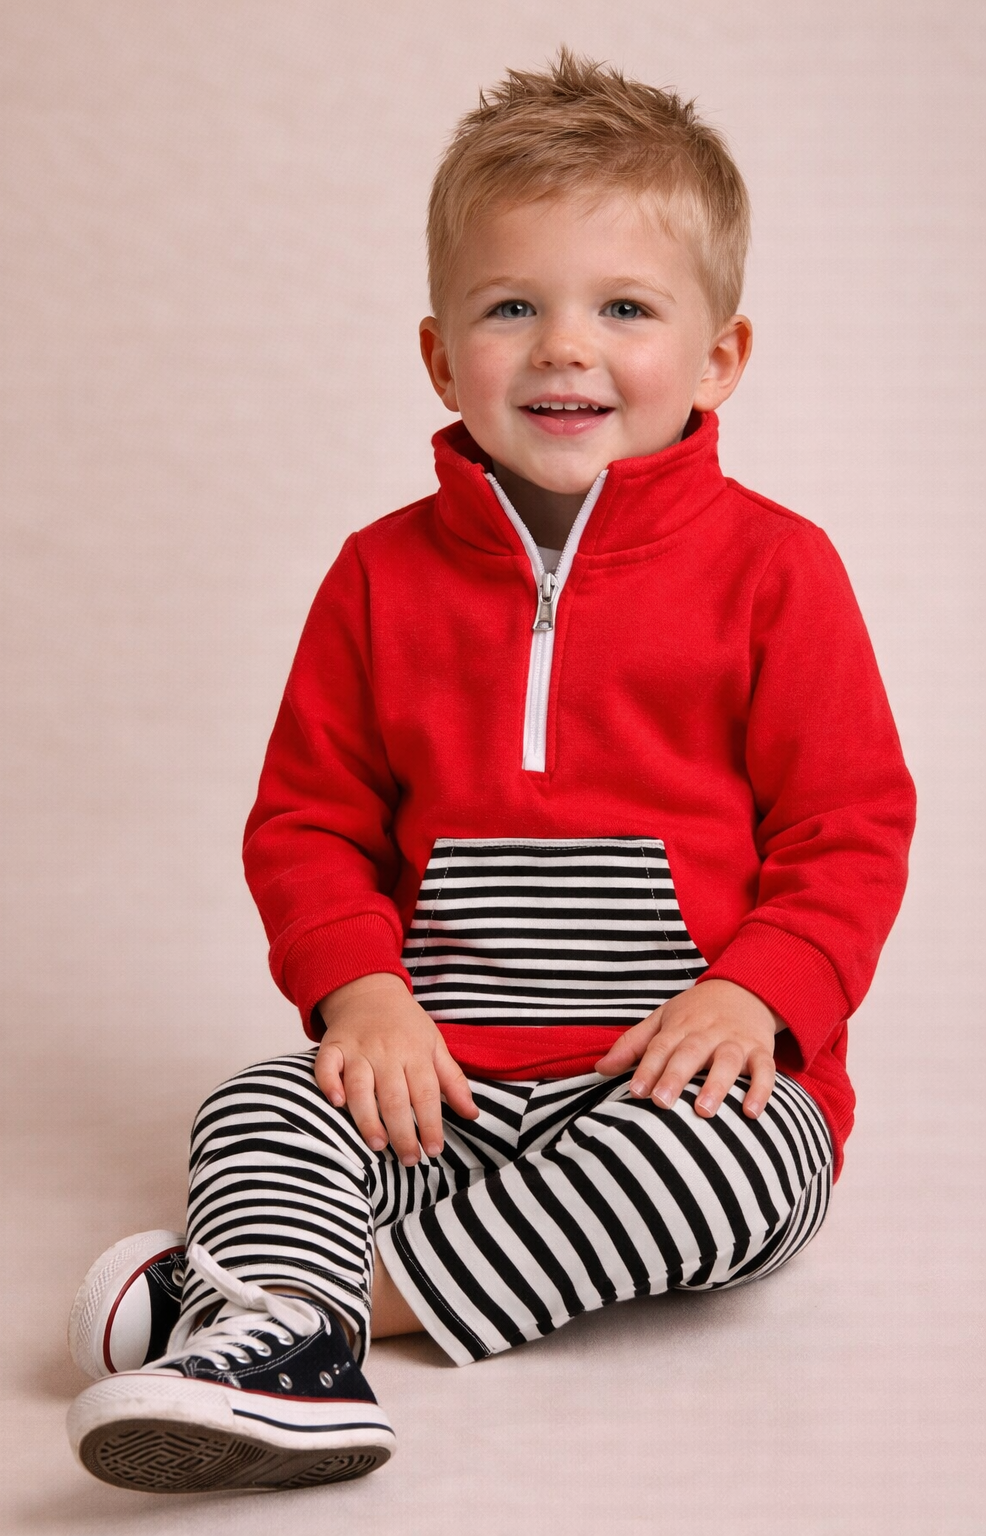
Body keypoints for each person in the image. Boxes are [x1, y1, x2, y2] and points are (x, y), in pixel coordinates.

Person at [65, 50, 916, 1494]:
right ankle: (279, 1317)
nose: (564, 349)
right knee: (256, 1106)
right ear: (440, 351)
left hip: (672, 1088)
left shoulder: (780, 571)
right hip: (435, 1085)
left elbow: (852, 827)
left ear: (721, 356)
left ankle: (299, 1320)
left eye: (625, 309)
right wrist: (365, 996)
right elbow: (307, 824)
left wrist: (755, 993)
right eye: (512, 306)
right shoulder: (378, 577)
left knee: (751, 1174)